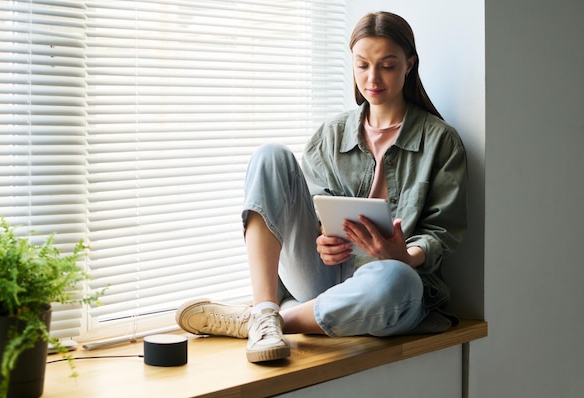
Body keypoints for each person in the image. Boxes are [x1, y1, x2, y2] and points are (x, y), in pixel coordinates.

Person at [175, 11, 468, 363]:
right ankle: (265, 308)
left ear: (409, 65)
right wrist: (323, 238)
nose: (372, 78)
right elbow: (314, 213)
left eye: (387, 66)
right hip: (321, 274)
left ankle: (266, 321)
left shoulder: (441, 141)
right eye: (362, 65)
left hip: (383, 283)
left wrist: (404, 256)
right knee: (270, 156)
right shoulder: (330, 135)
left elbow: (442, 232)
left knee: (400, 281)